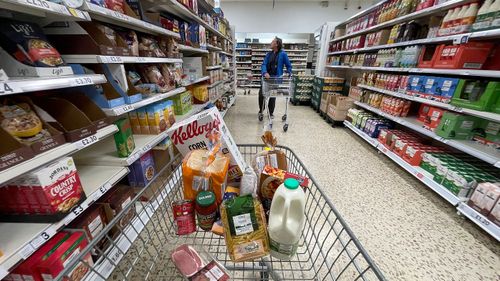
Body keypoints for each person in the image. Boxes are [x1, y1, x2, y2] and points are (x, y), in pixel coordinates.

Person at [259, 37, 292, 119]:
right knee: (261, 94)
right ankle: (261, 110)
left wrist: (288, 72)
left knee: (272, 96)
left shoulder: (283, 54)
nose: (271, 42)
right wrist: (265, 72)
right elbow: (263, 64)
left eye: (272, 41)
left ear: (277, 44)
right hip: (266, 78)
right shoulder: (268, 54)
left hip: (276, 79)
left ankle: (271, 112)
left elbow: (289, 66)